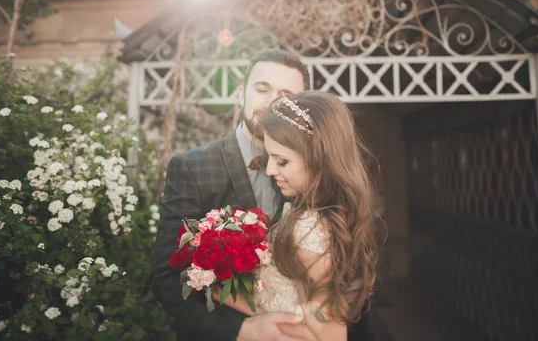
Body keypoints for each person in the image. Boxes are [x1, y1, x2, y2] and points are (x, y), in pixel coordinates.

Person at [151, 49, 315, 341]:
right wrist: (241, 330)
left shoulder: (315, 171)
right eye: (262, 88)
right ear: (241, 93)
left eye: (286, 94)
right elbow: (166, 275)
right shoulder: (192, 167)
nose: (272, 101)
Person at [213, 91, 378, 341]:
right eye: (270, 157)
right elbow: (283, 302)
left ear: (319, 160)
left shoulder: (309, 231)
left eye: (282, 161)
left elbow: (330, 336)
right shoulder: (304, 214)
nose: (269, 170)